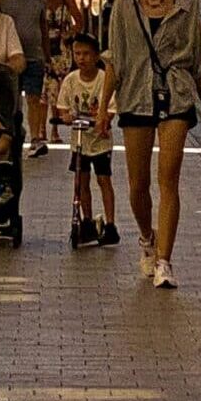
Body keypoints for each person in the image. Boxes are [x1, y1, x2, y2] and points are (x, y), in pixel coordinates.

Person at [94, 0, 201, 290]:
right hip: (135, 94)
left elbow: (197, 61)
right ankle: (147, 236)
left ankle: (164, 260)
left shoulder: (187, 6)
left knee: (169, 178)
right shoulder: (124, 6)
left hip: (176, 95)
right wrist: (104, 108)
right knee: (138, 184)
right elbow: (115, 59)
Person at [56, 33, 119, 247]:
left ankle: (110, 224)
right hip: (80, 140)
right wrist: (66, 116)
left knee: (103, 179)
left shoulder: (104, 79)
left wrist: (104, 119)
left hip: (100, 140)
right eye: (77, 54)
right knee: (81, 181)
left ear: (96, 56)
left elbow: (111, 108)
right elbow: (63, 106)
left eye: (86, 54)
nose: (81, 58)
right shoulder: (71, 80)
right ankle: (87, 220)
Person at [0, 0, 52, 155]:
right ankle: (10, 135)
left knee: (33, 98)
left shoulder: (39, 0)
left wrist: (47, 55)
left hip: (34, 57)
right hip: (11, 58)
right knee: (11, 99)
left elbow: (43, 27)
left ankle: (35, 138)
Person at [39, 0, 79, 137]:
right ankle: (41, 129)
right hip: (43, 47)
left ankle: (54, 129)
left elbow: (79, 20)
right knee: (43, 89)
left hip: (62, 49)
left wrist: (69, 33)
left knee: (56, 88)